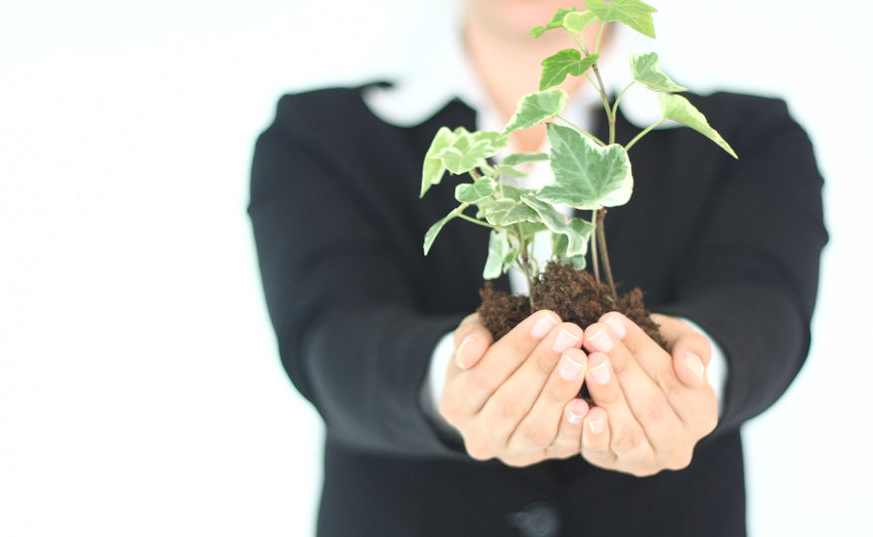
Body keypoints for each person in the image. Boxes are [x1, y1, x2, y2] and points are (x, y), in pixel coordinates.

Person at [248, 1, 826, 535]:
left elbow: (765, 302)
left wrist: (694, 374)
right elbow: (332, 337)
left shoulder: (750, 138)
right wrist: (449, 381)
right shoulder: (321, 136)